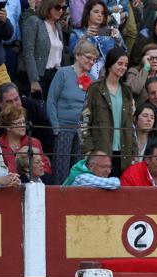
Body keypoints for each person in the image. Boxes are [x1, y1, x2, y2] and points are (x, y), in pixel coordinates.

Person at [46, 39, 98, 185]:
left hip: (82, 131)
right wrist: (55, 127)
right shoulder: (63, 73)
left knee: (78, 170)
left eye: (94, 59)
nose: (92, 62)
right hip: (63, 128)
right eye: (88, 57)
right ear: (77, 55)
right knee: (61, 170)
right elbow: (51, 101)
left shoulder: (92, 80)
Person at [81, 47, 137, 177]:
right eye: (120, 63)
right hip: (101, 151)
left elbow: (130, 124)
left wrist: (134, 152)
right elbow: (83, 120)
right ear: (110, 64)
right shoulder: (95, 88)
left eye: (126, 65)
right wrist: (88, 150)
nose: (123, 67)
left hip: (124, 151)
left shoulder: (127, 90)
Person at [68, 0, 126, 79]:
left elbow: (123, 53)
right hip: (83, 77)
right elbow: (72, 54)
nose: (100, 15)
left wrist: (118, 39)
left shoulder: (108, 31)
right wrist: (85, 37)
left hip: (107, 76)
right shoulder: (77, 33)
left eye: (102, 13)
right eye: (96, 12)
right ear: (88, 14)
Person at [0, 82, 55, 154]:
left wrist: (46, 155)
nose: (14, 104)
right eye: (9, 101)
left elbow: (47, 130)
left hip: (35, 154)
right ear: (0, 103)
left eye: (16, 99)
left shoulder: (32, 106)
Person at [21, 0, 66, 100]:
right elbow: (28, 52)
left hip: (56, 75)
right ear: (48, 6)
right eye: (57, 7)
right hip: (40, 75)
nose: (61, 10)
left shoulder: (58, 25)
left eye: (64, 8)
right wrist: (34, 80)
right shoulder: (34, 21)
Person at [0, 105, 52, 177]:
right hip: (7, 184)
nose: (23, 125)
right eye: (19, 123)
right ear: (7, 127)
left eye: (23, 122)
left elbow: (46, 167)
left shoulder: (34, 142)